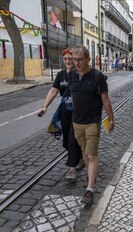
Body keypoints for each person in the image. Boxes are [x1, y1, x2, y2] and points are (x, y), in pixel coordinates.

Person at [69, 45, 115, 205]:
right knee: (84, 153)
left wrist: (111, 120)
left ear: (88, 59)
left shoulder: (98, 77)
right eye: (74, 59)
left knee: (92, 155)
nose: (76, 63)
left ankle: (89, 189)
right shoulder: (72, 75)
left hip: (92, 123)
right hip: (77, 122)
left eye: (79, 60)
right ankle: (90, 173)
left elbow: (106, 100)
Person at [37, 48, 83, 181]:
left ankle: (72, 168)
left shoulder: (80, 73)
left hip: (78, 111)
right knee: (66, 141)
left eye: (70, 58)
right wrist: (44, 107)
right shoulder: (61, 75)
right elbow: (53, 91)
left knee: (72, 139)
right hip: (64, 110)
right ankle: (80, 158)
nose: (68, 61)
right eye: (65, 59)